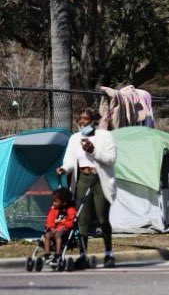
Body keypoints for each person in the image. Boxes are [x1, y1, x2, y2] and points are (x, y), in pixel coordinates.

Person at [56, 107, 117, 269]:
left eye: (85, 118)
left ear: (94, 120)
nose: (81, 122)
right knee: (82, 219)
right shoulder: (74, 138)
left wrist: (93, 150)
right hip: (82, 180)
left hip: (100, 180)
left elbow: (111, 159)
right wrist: (64, 169)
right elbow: (69, 160)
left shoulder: (106, 136)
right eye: (79, 118)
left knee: (102, 218)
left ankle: (109, 254)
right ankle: (83, 256)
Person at [43, 188, 77, 266]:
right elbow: (49, 220)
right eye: (53, 201)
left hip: (64, 231)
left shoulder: (70, 210)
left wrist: (64, 225)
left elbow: (71, 221)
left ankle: (58, 253)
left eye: (56, 201)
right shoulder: (54, 210)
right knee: (47, 235)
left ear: (64, 202)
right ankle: (47, 254)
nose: (54, 203)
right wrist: (51, 228)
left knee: (58, 234)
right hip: (54, 229)